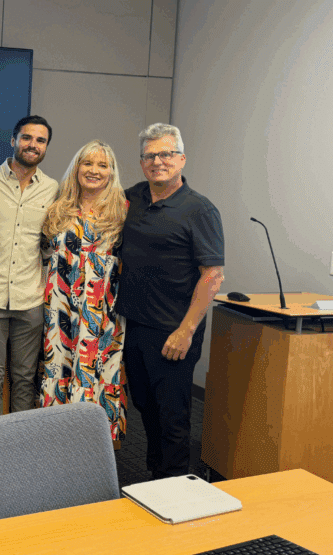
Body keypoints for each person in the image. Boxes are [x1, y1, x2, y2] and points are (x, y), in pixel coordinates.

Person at [116, 123, 224, 478]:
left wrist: (186, 331)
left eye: (166, 154)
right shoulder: (131, 199)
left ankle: (176, 487)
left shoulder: (200, 210)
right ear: (141, 162)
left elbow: (212, 275)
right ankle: (156, 478)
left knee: (173, 417)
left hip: (174, 331)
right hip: (135, 327)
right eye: (150, 156)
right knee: (145, 407)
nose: (158, 162)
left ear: (182, 159)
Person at [41, 141, 129, 440]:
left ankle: (94, 445)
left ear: (111, 172)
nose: (94, 170)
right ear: (76, 167)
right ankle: (56, 438)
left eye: (102, 165)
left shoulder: (122, 212)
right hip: (61, 306)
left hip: (101, 311)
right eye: (87, 163)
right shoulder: (58, 208)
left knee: (95, 370)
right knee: (59, 367)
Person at [0, 115, 59, 416]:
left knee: (25, 379)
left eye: (40, 140)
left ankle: (19, 441)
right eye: (27, 137)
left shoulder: (52, 189)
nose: (32, 145)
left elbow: (50, 239)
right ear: (13, 140)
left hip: (30, 299)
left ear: (46, 147)